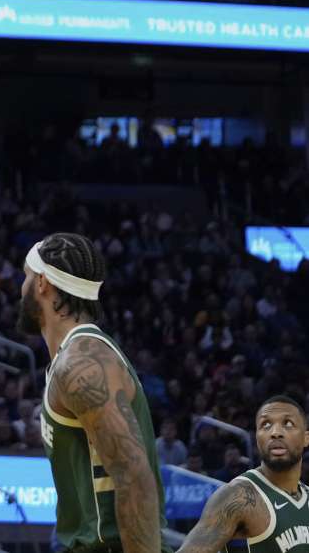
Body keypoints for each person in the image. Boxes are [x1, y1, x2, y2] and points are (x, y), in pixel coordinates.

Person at [20, 233, 169, 553]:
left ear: (43, 284)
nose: (22, 287)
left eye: (26, 276)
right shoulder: (76, 356)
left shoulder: (82, 361)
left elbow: (133, 475)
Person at [176, 395, 309, 552]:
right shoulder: (239, 496)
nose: (275, 433)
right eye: (266, 425)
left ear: (306, 438)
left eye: (288, 424)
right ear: (257, 439)